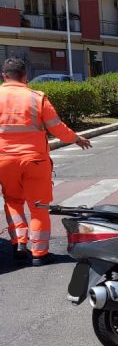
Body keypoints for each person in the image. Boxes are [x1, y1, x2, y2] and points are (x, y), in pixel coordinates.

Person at [0, 58, 91, 266]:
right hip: (35, 161)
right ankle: (39, 254)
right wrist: (76, 139)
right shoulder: (36, 98)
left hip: (4, 161)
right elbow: (56, 127)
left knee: (13, 201)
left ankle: (19, 243)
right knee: (38, 207)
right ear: (25, 77)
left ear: (4, 76)